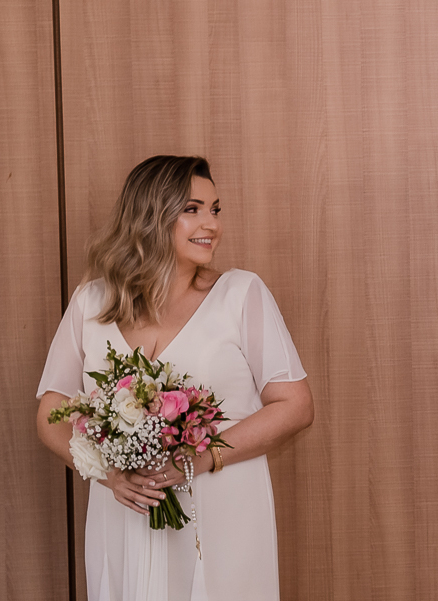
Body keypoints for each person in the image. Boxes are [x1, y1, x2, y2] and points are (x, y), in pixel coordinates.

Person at [36, 156, 314, 601]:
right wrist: (110, 474)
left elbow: (295, 405)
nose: (212, 224)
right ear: (149, 216)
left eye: (215, 209)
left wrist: (199, 460)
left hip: (222, 509)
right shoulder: (91, 302)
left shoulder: (241, 294)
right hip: (125, 514)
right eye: (192, 209)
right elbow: (51, 413)